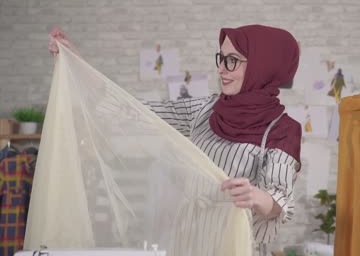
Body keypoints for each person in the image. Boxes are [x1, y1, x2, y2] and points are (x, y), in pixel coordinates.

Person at [49, 24, 302, 244]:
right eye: (221, 58)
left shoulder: (283, 130)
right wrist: (77, 64)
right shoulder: (205, 110)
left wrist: (256, 196)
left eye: (232, 60)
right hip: (189, 240)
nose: (222, 69)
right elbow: (137, 112)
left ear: (262, 66)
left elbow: (278, 201)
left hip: (236, 245)